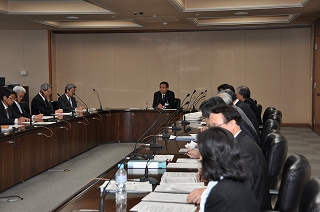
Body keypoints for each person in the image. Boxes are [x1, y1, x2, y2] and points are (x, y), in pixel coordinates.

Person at [187, 105, 272, 210]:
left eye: (215, 126)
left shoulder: (243, 150)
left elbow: (239, 188)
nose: (212, 131)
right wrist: (211, 171)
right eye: (210, 127)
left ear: (232, 123)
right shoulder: (237, 142)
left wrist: (206, 192)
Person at [192, 127, 259, 212]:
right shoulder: (235, 177)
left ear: (211, 157)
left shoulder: (219, 193)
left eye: (201, 153)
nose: (200, 158)